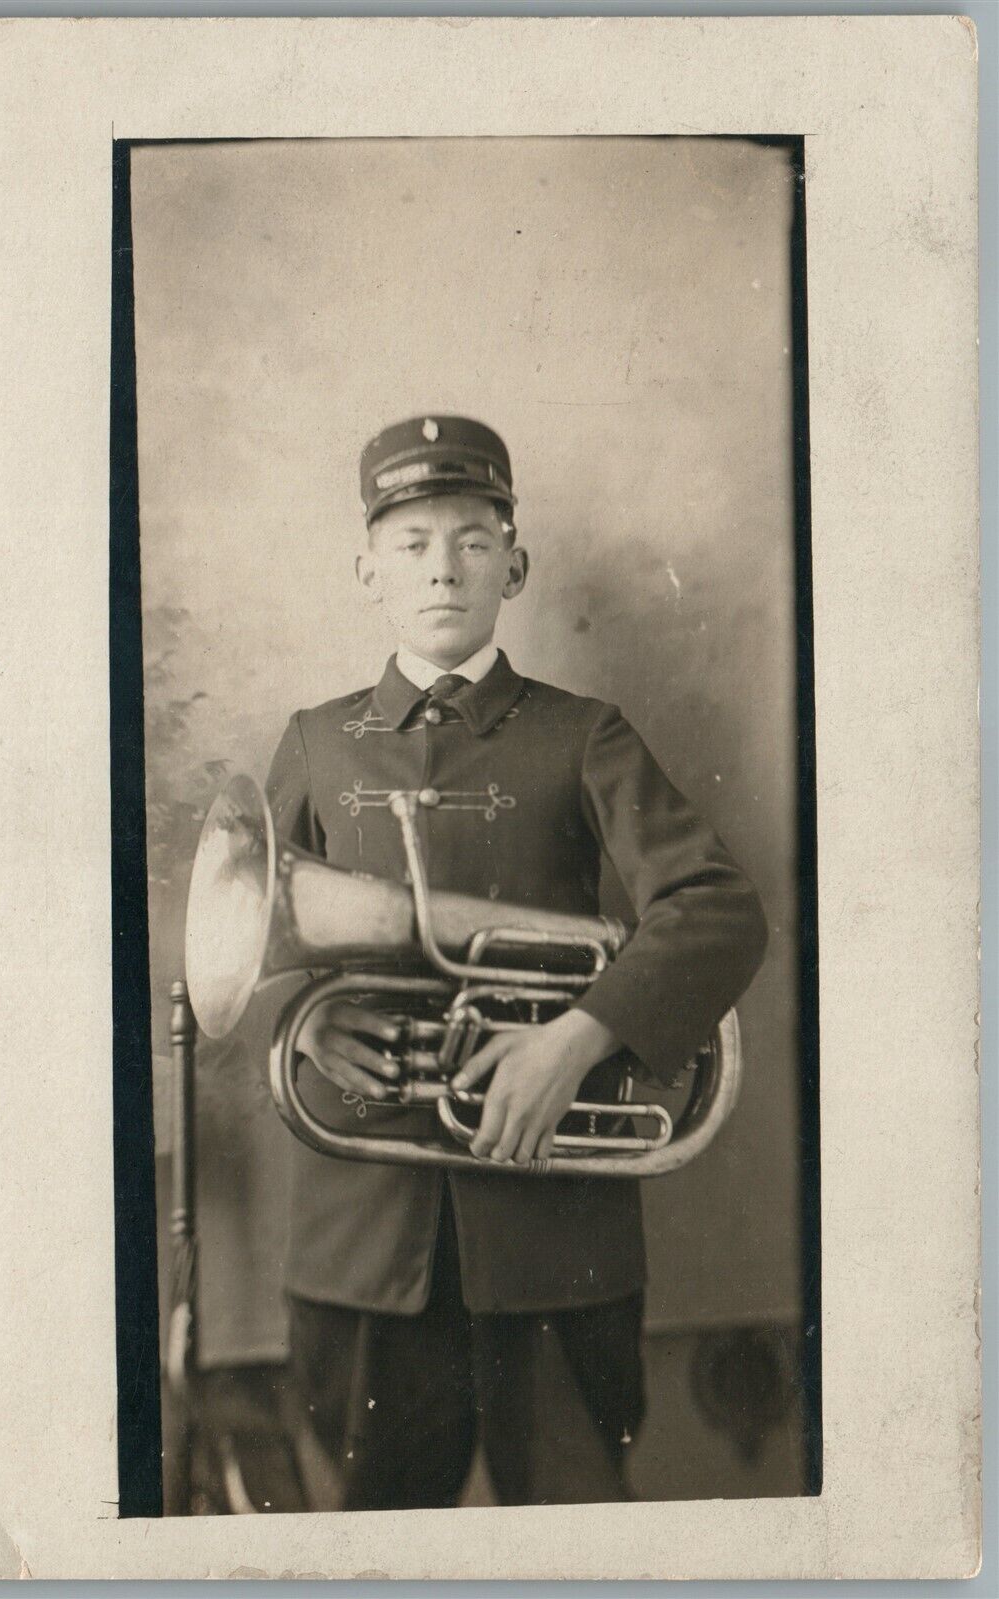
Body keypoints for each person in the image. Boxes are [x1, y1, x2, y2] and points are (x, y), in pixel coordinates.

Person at [266, 415, 768, 1509]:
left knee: (580, 1544)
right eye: (409, 544)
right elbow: (241, 963)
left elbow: (719, 910)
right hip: (360, 1240)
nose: (441, 566)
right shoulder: (314, 741)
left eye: (472, 539)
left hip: (555, 1247)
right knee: (367, 1558)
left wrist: (571, 1040)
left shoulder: (584, 734)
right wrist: (298, 1026)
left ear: (515, 564)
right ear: (367, 570)